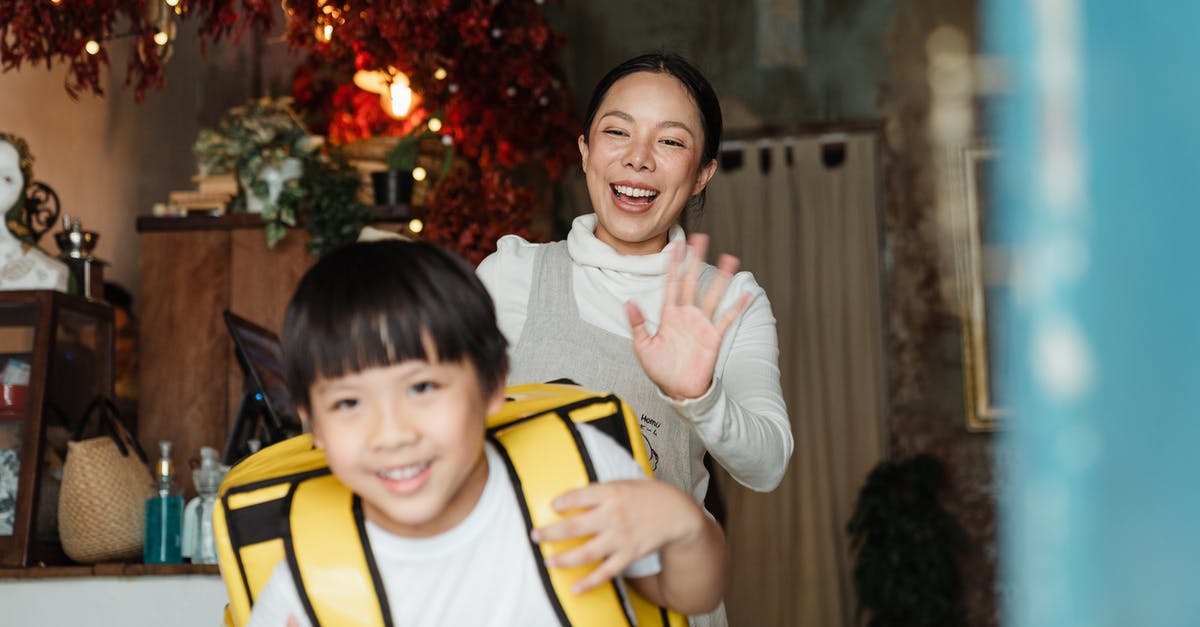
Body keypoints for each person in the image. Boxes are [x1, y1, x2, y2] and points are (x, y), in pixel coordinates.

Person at [247, 240, 726, 626]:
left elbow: (690, 594)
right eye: (349, 403)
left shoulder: (575, 471)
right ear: (314, 425)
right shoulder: (308, 577)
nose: (390, 433)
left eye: (422, 387)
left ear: (493, 384)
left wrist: (684, 525)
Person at [477, 53, 792, 516]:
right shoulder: (511, 274)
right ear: (585, 150)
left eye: (669, 141)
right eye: (618, 132)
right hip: (519, 585)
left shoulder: (728, 302)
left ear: (703, 173)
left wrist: (698, 397)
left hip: (662, 587)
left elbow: (768, 467)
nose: (638, 159)